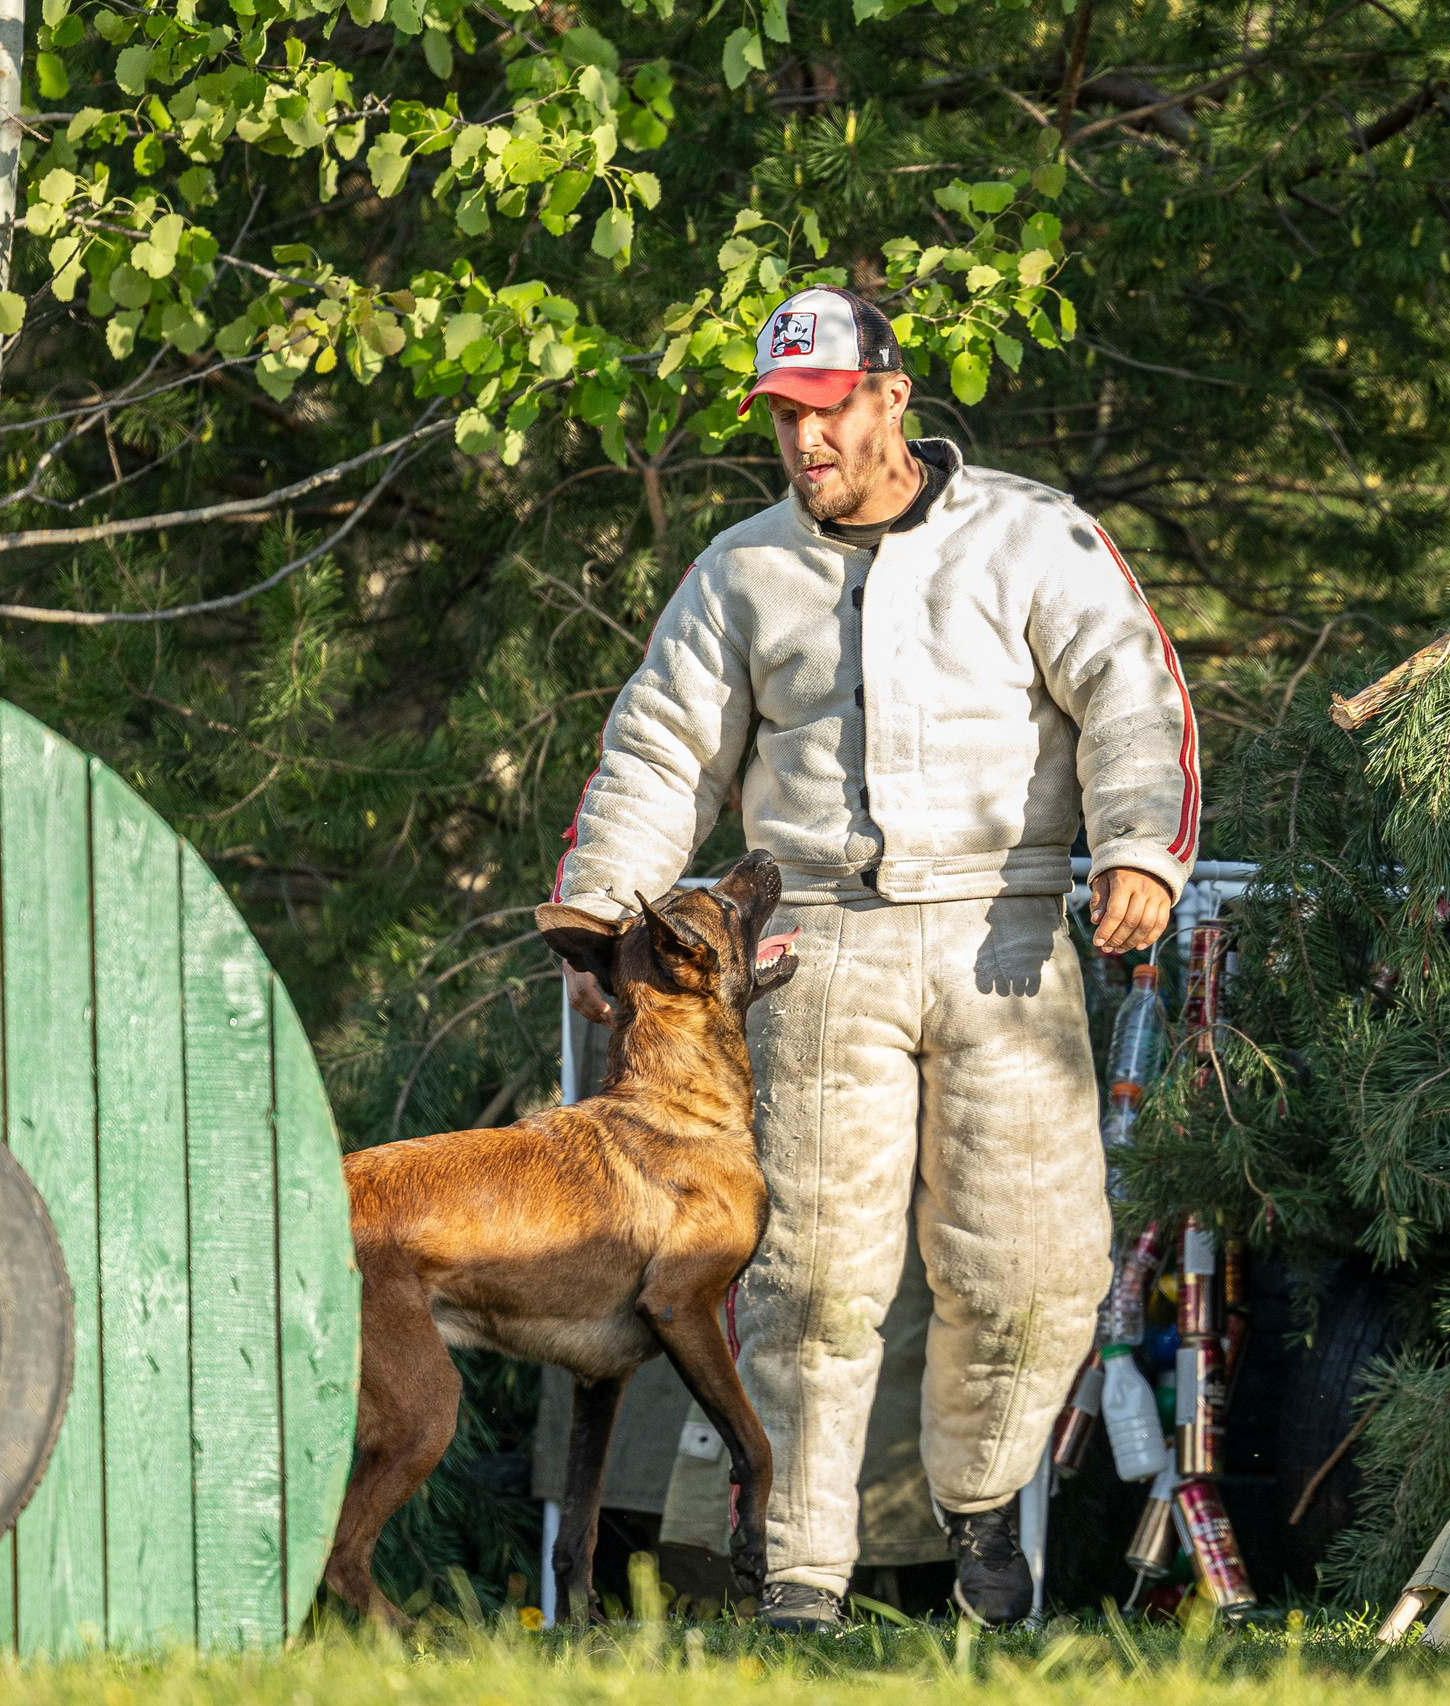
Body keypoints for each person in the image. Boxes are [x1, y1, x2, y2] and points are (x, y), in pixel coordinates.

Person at [550, 283, 1197, 1629]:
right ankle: (795, 1571)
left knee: (1031, 1264)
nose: (804, 444)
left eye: (827, 411)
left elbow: (1132, 688)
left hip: (1003, 932)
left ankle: (978, 1515)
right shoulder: (739, 570)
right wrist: (606, 917)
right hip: (817, 943)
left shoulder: (1034, 536)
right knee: (808, 1278)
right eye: (782, 418)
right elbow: (662, 749)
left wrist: (1139, 847)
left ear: (893, 397)